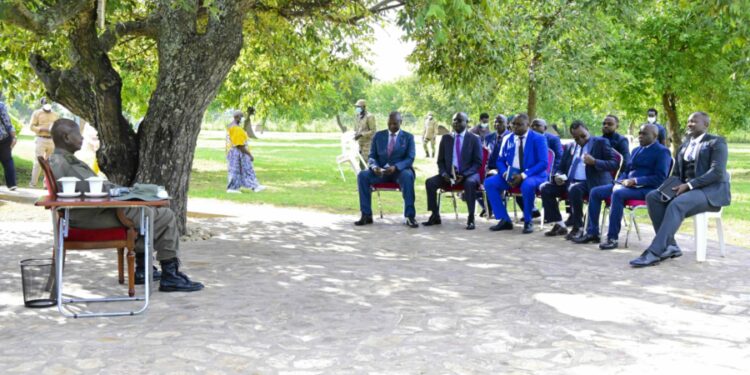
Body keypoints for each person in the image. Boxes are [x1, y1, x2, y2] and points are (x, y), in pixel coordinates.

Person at [49, 119, 204, 292]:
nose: (82, 138)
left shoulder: (60, 160)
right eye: (78, 133)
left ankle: (143, 270)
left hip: (86, 213)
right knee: (164, 216)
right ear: (66, 137)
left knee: (146, 212)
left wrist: (122, 191)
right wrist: (123, 192)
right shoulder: (66, 163)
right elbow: (94, 188)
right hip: (92, 216)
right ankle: (170, 275)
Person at [630, 112, 731, 267]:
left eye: (694, 121)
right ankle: (671, 246)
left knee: (677, 204)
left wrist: (690, 185)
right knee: (653, 197)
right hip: (688, 191)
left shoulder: (716, 142)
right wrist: (665, 189)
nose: (689, 124)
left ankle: (654, 252)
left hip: (710, 192)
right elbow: (677, 174)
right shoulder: (684, 146)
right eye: (688, 121)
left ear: (706, 125)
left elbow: (717, 172)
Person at [573, 124, 671, 248]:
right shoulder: (636, 150)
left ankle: (612, 239)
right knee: (596, 192)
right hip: (626, 186)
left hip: (647, 189)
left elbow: (660, 178)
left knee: (618, 193)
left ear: (655, 136)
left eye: (644, 134)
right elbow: (627, 170)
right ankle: (592, 233)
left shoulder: (662, 151)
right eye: (639, 133)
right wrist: (619, 181)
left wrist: (635, 181)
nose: (640, 136)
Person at [541, 120, 617, 239]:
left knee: (574, 189)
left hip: (592, 182)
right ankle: (559, 224)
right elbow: (561, 167)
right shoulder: (570, 146)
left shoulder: (601, 143)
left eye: (583, 136)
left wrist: (595, 162)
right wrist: (558, 176)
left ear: (588, 130)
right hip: (570, 181)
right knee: (545, 188)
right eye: (576, 138)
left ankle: (578, 227)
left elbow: (614, 163)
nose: (581, 140)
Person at [485, 113, 549, 233]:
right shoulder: (507, 138)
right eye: (513, 124)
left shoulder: (538, 138)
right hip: (511, 175)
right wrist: (505, 174)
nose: (515, 127)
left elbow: (543, 163)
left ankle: (528, 220)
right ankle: (504, 220)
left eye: (519, 124)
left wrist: (523, 175)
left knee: (527, 185)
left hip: (533, 175)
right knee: (490, 183)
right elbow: (500, 160)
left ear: (528, 125)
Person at [355, 111, 418, 228]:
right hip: (380, 172)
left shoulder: (408, 137)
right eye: (389, 123)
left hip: (399, 172)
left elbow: (410, 158)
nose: (392, 126)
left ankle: (410, 217)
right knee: (362, 175)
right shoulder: (378, 136)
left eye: (395, 124)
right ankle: (366, 215)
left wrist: (396, 167)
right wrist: (374, 167)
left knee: (407, 176)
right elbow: (372, 156)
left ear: (401, 122)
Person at [422, 112, 482, 230]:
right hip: (449, 176)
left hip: (468, 175)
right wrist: (444, 173)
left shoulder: (474, 139)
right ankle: (435, 215)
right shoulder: (446, 138)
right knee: (430, 182)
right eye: (454, 120)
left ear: (467, 122)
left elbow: (478, 163)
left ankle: (471, 218)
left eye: (459, 120)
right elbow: (440, 161)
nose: (456, 123)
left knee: (470, 183)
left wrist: (464, 175)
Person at [226, 110, 265, 193]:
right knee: (244, 170)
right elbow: (239, 145)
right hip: (238, 153)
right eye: (241, 116)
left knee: (237, 171)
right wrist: (250, 155)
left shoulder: (231, 126)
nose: (242, 118)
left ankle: (253, 186)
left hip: (233, 152)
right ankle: (235, 188)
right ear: (236, 117)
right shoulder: (236, 128)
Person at [29, 97, 60, 187]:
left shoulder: (55, 114)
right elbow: (31, 126)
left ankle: (47, 185)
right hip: (40, 139)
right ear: (42, 104)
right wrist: (41, 129)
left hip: (52, 141)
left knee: (50, 163)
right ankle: (33, 184)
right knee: (38, 162)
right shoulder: (37, 113)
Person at [0, 92, 17, 191]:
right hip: (3, 138)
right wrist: (14, 137)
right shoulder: (1, 105)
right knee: (7, 160)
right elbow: (7, 122)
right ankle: (12, 184)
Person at [353, 99, 376, 165]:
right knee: (361, 162)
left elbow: (373, 131)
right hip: (360, 143)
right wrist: (355, 134)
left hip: (368, 143)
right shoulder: (358, 116)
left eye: (359, 107)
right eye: (356, 107)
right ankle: (362, 175)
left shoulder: (370, 116)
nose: (357, 108)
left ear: (364, 107)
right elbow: (356, 128)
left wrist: (361, 134)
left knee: (367, 161)